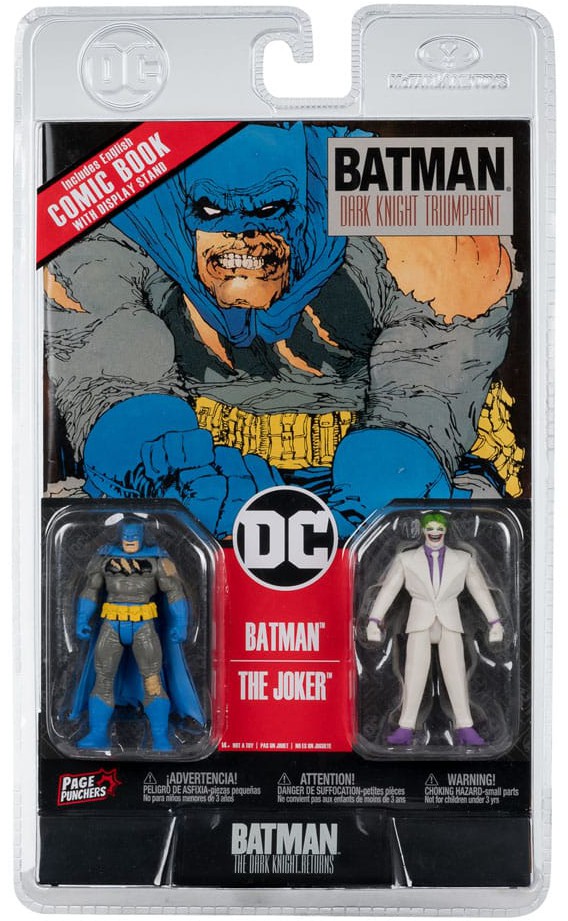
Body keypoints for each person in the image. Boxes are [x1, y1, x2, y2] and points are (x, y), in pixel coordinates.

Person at [45, 123, 518, 538]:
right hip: (200, 473)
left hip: (379, 466)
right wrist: (157, 462)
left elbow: (431, 375)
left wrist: (382, 486)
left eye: (269, 210)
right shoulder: (124, 216)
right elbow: (105, 353)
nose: (242, 236)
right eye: (215, 214)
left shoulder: (412, 218)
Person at [366, 511, 504, 745]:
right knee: (413, 675)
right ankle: (406, 727)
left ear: (445, 531)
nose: (435, 532)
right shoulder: (406, 559)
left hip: (450, 621)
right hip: (419, 621)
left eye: (439, 529)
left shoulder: (463, 559)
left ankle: (466, 727)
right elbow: (388, 589)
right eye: (430, 528)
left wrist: (495, 621)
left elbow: (480, 590)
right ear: (423, 531)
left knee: (457, 675)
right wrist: (374, 620)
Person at [71, 518, 205, 751]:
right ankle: (98, 734)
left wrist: (181, 623)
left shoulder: (158, 559)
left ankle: (160, 738)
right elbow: (90, 590)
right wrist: (82, 618)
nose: (130, 539)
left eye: (135, 535)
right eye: (127, 535)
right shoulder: (104, 558)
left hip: (143, 625)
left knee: (152, 680)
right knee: (103, 679)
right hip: (112, 623)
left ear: (142, 535)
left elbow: (175, 593)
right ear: (120, 535)